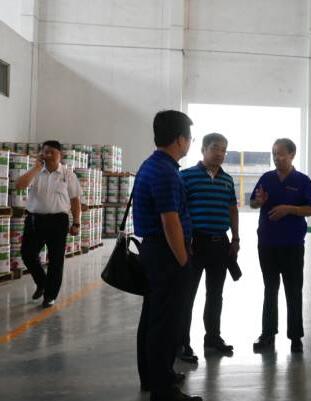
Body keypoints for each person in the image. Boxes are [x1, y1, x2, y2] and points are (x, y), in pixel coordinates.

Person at [133, 110, 202, 401]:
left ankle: (154, 377)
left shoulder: (153, 165)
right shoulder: (165, 172)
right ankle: (163, 390)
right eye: (190, 138)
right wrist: (184, 261)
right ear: (180, 139)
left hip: (155, 251)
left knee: (154, 317)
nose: (190, 143)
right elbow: (169, 221)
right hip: (166, 254)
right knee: (166, 322)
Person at [250, 138, 311, 354]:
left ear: (292, 154)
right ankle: (268, 334)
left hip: (292, 245)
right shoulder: (266, 178)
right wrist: (259, 202)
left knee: (293, 290)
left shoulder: (302, 180)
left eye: (280, 153)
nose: (276, 158)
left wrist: (289, 209)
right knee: (270, 289)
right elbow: (252, 203)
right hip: (267, 244)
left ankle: (295, 337)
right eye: (274, 154)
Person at [179, 133, 239, 361]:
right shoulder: (186, 176)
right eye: (215, 148)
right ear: (203, 149)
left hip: (220, 244)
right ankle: (182, 343)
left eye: (224, 150)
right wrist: (184, 241)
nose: (220, 153)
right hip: (194, 244)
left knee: (215, 295)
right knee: (187, 295)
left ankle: (213, 338)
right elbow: (179, 211)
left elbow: (232, 210)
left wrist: (235, 238)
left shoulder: (227, 180)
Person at [16, 140, 81, 308]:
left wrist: (76, 222)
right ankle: (42, 282)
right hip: (34, 220)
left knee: (56, 260)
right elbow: (19, 185)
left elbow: (75, 201)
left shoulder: (68, 175)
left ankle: (50, 296)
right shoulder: (36, 171)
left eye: (52, 152)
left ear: (60, 155)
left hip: (58, 221)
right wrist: (36, 168)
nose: (48, 155)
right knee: (27, 254)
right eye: (45, 152)